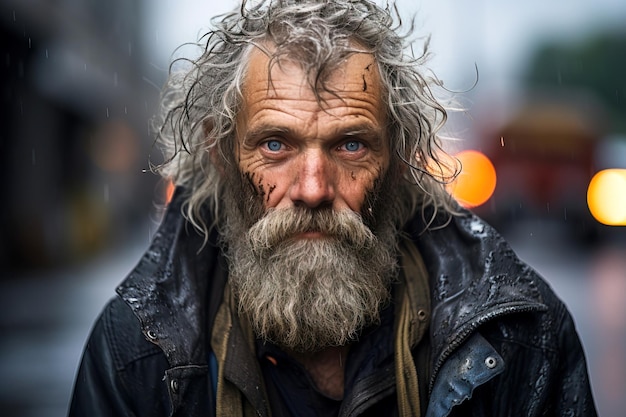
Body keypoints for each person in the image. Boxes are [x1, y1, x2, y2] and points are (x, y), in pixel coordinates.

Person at [69, 1, 598, 416]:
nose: (314, 188)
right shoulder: (139, 352)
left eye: (350, 145)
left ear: (396, 162)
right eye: (276, 145)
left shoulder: (520, 338)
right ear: (223, 156)